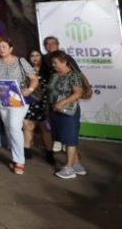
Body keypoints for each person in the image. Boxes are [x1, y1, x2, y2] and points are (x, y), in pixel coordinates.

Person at [0, 38, 39, 175]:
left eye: (4, 46)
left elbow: (34, 79)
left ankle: (20, 161)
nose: (1, 49)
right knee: (9, 127)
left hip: (18, 98)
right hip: (2, 99)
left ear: (11, 48)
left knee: (15, 127)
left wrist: (30, 90)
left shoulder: (21, 61)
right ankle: (16, 157)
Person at [48, 51, 86, 179]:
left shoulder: (73, 75)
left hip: (69, 111)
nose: (53, 65)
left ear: (64, 62)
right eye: (52, 62)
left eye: (56, 62)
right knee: (65, 138)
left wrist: (62, 102)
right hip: (55, 111)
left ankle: (69, 168)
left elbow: (78, 93)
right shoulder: (54, 75)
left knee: (70, 139)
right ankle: (77, 165)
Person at [23, 49, 54, 164]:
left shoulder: (48, 72)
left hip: (44, 103)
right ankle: (26, 150)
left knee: (45, 128)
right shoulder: (25, 71)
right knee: (27, 125)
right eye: (32, 55)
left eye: (37, 55)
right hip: (30, 102)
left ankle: (49, 153)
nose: (35, 58)